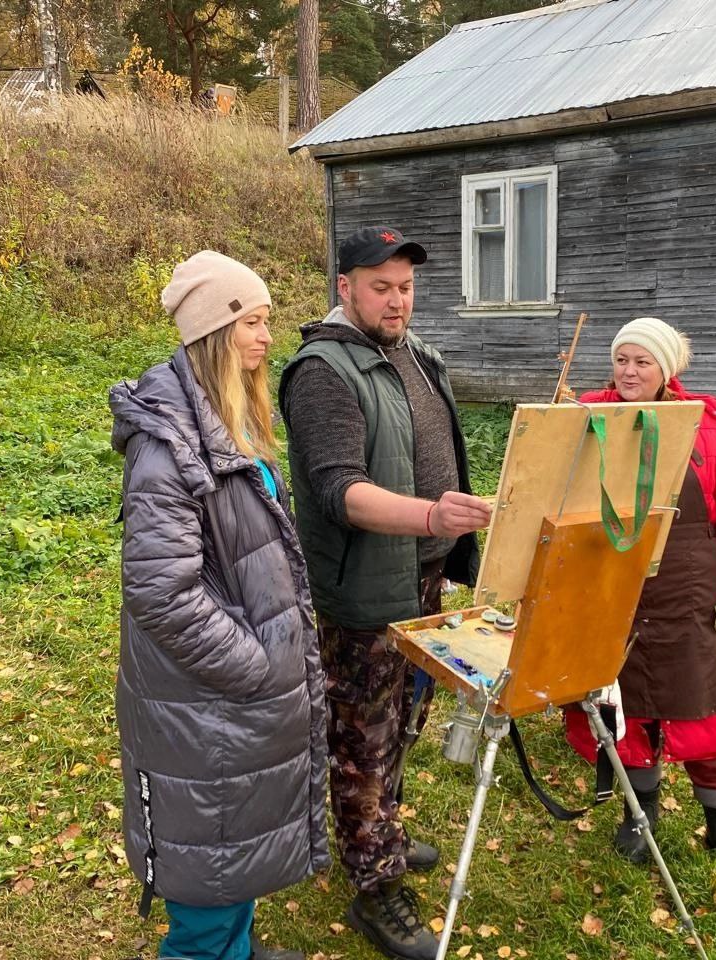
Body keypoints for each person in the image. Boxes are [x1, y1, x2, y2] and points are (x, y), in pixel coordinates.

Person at [278, 226, 493, 960]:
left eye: (406, 287)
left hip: (423, 578)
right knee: (361, 739)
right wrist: (431, 516)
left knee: (404, 719)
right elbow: (340, 492)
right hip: (366, 592)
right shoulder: (322, 372)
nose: (397, 300)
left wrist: (444, 536)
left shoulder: (416, 356)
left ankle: (383, 832)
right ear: (345, 288)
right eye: (381, 287)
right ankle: (374, 885)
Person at [110, 250, 329, 960]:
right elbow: (161, 592)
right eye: (252, 323)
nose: (267, 337)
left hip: (231, 705)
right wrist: (257, 667)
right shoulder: (167, 448)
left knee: (230, 854)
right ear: (213, 331)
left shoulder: (227, 421)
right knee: (208, 872)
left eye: (266, 320)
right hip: (207, 702)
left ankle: (238, 946)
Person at [564, 316, 716, 877]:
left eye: (642, 362)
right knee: (627, 708)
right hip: (615, 586)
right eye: (621, 360)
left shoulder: (705, 423)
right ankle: (640, 815)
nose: (629, 372)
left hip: (689, 586)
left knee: (703, 707)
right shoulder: (588, 417)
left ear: (667, 368)